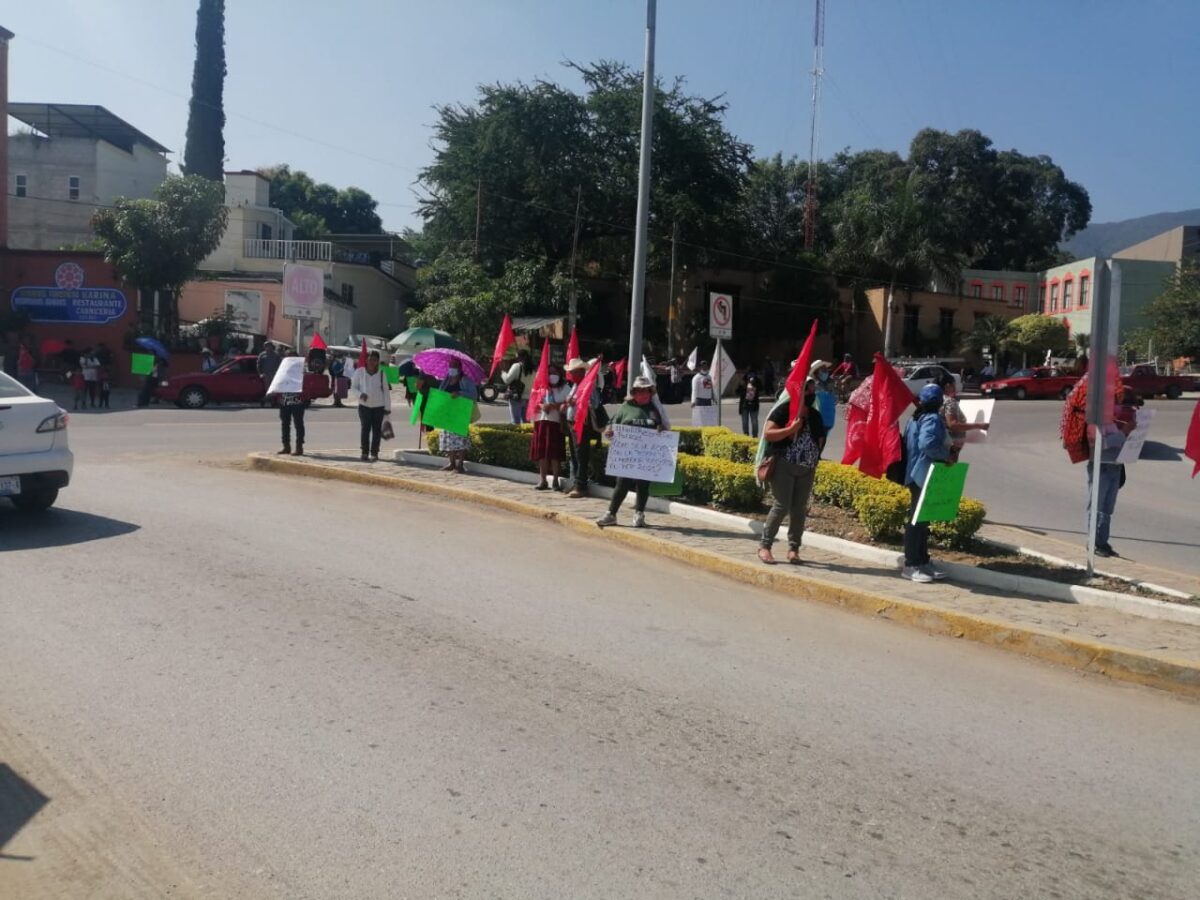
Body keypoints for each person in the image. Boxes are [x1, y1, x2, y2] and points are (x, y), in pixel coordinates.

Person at [756, 377, 826, 565]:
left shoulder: (814, 415)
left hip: (807, 468)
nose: (811, 394)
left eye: (812, 390)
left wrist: (813, 459)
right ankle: (765, 546)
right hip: (784, 465)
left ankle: (794, 549)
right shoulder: (784, 410)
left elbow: (820, 438)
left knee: (799, 509)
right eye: (808, 390)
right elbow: (769, 433)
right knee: (781, 505)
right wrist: (791, 429)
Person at [595, 375, 664, 529]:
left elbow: (661, 426)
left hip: (645, 456)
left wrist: (660, 428)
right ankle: (611, 514)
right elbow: (611, 424)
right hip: (627, 456)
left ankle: (639, 514)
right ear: (634, 393)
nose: (644, 394)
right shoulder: (625, 408)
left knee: (643, 485)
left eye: (647, 391)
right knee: (622, 484)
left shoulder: (654, 410)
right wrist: (609, 431)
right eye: (640, 391)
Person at [901, 384, 952, 584]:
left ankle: (922, 561)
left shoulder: (915, 418)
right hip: (923, 473)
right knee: (917, 521)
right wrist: (946, 455)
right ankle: (911, 563)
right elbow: (927, 444)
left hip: (914, 473)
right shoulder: (931, 419)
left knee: (922, 519)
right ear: (939, 402)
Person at [565, 358, 606, 498]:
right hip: (572, 423)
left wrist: (576, 401)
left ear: (581, 372)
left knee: (581, 455)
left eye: (573, 372)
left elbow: (594, 403)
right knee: (575, 455)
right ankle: (576, 482)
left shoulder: (589, 385)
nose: (571, 375)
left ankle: (580, 486)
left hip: (582, 424)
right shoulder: (576, 385)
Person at [529, 363, 571, 490]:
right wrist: (542, 406)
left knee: (554, 454)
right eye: (549, 373)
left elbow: (569, 402)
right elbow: (533, 401)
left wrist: (554, 406)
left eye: (555, 373)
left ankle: (555, 481)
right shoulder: (541, 386)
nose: (552, 376)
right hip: (541, 421)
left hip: (556, 423)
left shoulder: (565, 387)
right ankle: (542, 480)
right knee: (542, 453)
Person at [437, 361, 478, 472]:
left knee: (461, 439)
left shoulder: (465, 380)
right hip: (447, 413)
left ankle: (460, 465)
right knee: (448, 438)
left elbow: (474, 395)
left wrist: (460, 393)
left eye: (454, 366)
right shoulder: (446, 379)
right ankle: (451, 463)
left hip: (460, 413)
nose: (451, 368)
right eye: (450, 366)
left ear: (459, 368)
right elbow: (440, 392)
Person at [351, 350, 392, 462]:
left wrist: (387, 408)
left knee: (377, 431)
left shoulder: (382, 374)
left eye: (374, 360)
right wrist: (360, 394)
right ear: (366, 360)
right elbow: (353, 387)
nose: (372, 362)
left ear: (378, 361)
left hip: (379, 406)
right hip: (364, 407)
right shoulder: (360, 372)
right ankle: (364, 452)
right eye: (370, 359)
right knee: (365, 429)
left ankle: (374, 453)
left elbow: (386, 392)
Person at [938, 372, 988, 453]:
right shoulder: (949, 401)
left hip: (941, 441)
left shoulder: (937, 399)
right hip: (951, 445)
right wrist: (979, 425)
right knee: (950, 465)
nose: (955, 387)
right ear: (948, 385)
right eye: (953, 384)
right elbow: (953, 425)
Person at [502, 349, 532, 425]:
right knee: (526, 423)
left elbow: (507, 380)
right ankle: (526, 436)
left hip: (516, 397)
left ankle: (517, 436)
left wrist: (503, 373)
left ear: (519, 357)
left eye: (516, 357)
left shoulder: (517, 366)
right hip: (529, 398)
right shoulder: (534, 368)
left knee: (516, 422)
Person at [736, 372, 761, 437]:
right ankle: (746, 436)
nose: (750, 380)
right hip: (745, 406)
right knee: (745, 422)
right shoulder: (743, 384)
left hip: (754, 406)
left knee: (754, 422)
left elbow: (761, 388)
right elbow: (737, 392)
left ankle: (755, 436)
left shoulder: (756, 384)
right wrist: (741, 385)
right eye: (749, 378)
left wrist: (755, 383)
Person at [690, 359, 714, 424]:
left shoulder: (709, 377)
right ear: (700, 367)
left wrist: (713, 397)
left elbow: (711, 388)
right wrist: (693, 401)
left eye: (705, 365)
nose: (704, 367)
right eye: (702, 365)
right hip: (700, 400)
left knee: (708, 419)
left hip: (708, 400)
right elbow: (694, 390)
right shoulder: (696, 378)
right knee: (700, 420)